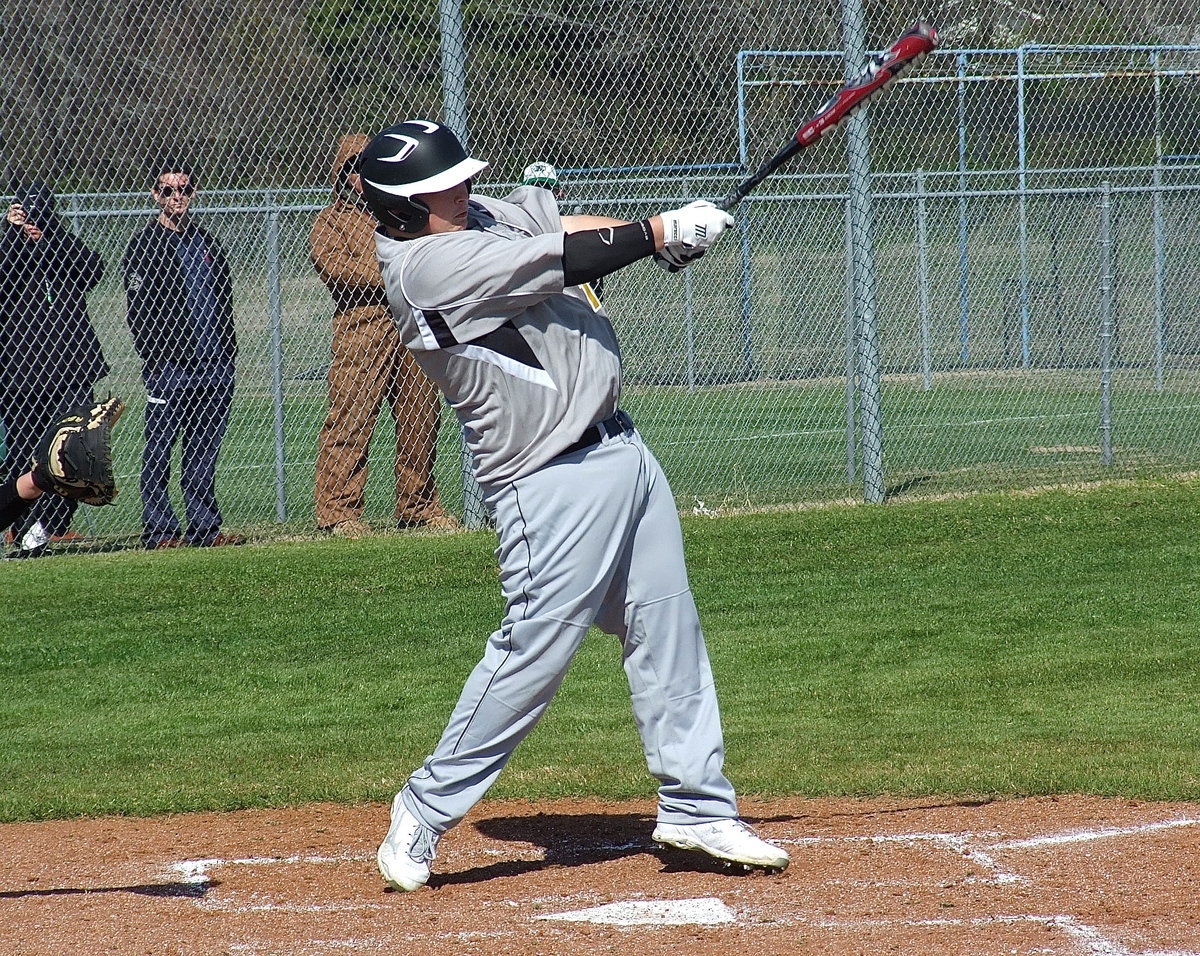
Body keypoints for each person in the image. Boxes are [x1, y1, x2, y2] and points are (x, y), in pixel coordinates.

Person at [358, 119, 789, 892]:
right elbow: (560, 258)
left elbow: (562, 226)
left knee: (668, 628)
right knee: (533, 655)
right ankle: (424, 808)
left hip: (622, 452)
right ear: (401, 211)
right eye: (438, 188)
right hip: (546, 480)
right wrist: (658, 231)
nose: (460, 189)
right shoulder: (427, 266)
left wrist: (659, 235)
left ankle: (695, 806)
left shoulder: (467, 215)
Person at [310, 134, 455, 538]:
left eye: (367, 166)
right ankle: (339, 512)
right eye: (353, 168)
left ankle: (419, 506)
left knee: (420, 420)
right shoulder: (331, 220)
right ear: (342, 174)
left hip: (412, 325)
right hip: (362, 331)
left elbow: (434, 257)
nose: (360, 175)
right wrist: (399, 272)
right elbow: (336, 269)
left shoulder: (402, 213)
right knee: (351, 418)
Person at [122, 161, 245, 549]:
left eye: (185, 190)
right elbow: (138, 312)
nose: (178, 197)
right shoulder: (144, 246)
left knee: (202, 452)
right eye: (169, 190)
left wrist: (227, 354)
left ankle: (204, 528)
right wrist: (157, 358)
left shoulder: (206, 241)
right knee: (159, 449)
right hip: (171, 370)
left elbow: (223, 300)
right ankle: (159, 530)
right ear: (155, 195)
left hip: (214, 366)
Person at [0, 181, 108, 558]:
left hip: (71, 366)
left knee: (75, 451)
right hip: (22, 373)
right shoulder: (8, 246)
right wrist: (14, 236)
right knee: (23, 453)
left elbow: (93, 269)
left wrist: (47, 240)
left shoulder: (60, 246)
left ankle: (48, 527)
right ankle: (19, 526)